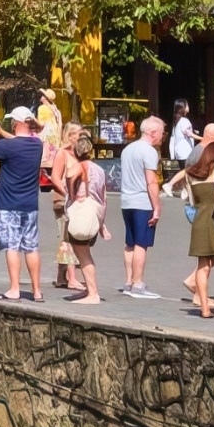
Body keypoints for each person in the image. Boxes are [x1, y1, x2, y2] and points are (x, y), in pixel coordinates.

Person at [0, 107, 47, 301]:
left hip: (9, 205)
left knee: (12, 247)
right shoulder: (37, 144)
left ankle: (14, 288)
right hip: (30, 205)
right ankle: (37, 290)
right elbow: (18, 142)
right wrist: (1, 132)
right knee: (31, 247)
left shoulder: (8, 147)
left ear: (16, 123)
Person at [168, 141, 214, 318]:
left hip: (199, 221)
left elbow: (193, 201)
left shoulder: (190, 175)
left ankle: (204, 308)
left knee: (203, 266)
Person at [115, 116, 165, 299]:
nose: (162, 136)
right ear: (152, 132)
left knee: (130, 242)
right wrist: (157, 207)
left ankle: (128, 281)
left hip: (126, 200)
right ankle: (137, 283)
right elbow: (151, 181)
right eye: (161, 132)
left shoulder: (128, 149)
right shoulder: (149, 151)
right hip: (142, 202)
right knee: (141, 244)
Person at [61, 133, 110, 303]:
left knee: (83, 255)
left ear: (76, 152)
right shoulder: (100, 170)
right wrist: (102, 224)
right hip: (94, 215)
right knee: (84, 252)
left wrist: (71, 192)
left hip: (82, 214)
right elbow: (104, 197)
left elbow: (69, 174)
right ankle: (89, 290)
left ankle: (93, 293)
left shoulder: (82, 166)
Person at [48, 122, 84, 291]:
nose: (82, 136)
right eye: (79, 134)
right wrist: (67, 193)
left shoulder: (79, 153)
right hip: (63, 200)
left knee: (67, 236)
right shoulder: (62, 153)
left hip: (76, 201)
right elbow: (55, 177)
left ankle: (61, 277)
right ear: (70, 136)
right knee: (68, 237)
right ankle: (71, 278)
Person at [169, 100, 198, 168]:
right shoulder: (184, 121)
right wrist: (203, 138)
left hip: (179, 153)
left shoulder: (176, 121)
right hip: (186, 153)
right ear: (182, 107)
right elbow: (189, 134)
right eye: (187, 105)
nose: (188, 107)